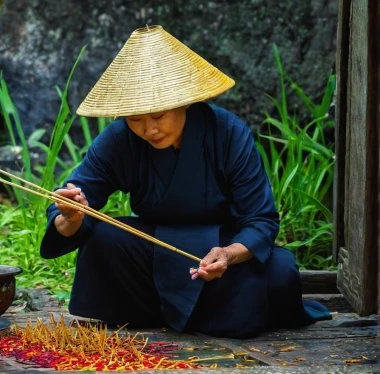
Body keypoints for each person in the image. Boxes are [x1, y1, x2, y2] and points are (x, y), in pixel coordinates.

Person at [40, 25, 330, 338]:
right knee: (104, 238)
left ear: (184, 101)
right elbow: (72, 205)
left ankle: (167, 309)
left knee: (281, 271)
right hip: (153, 250)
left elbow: (260, 220)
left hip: (221, 246)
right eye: (136, 119)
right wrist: (69, 217)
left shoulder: (228, 134)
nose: (148, 129)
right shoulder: (118, 140)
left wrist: (229, 254)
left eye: (158, 116)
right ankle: (210, 312)